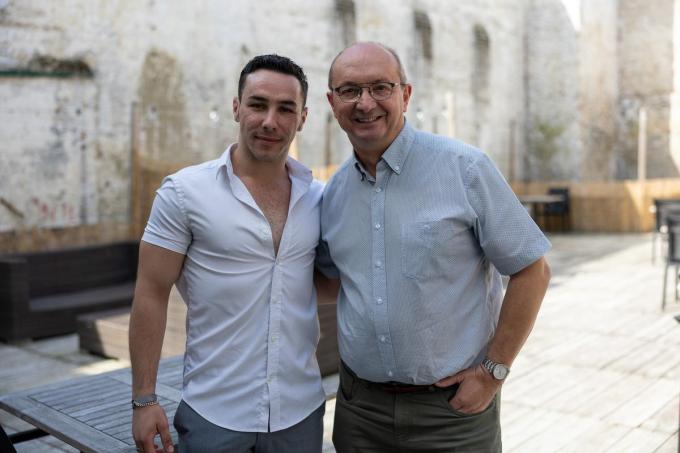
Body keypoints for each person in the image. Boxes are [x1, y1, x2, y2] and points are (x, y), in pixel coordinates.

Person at [316, 42, 552, 452]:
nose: (365, 102)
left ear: (405, 95)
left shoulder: (465, 168)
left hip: (451, 415)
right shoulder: (333, 194)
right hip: (360, 412)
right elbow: (336, 281)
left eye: (380, 88)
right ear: (332, 103)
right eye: (350, 90)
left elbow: (532, 270)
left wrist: (493, 372)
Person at [129, 54, 327, 453]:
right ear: (237, 108)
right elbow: (150, 293)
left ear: (302, 118)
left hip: (300, 412)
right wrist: (144, 399)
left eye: (285, 109)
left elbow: (332, 281)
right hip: (214, 413)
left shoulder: (320, 198)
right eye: (258, 104)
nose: (270, 121)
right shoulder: (184, 193)